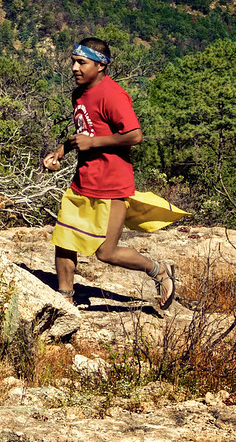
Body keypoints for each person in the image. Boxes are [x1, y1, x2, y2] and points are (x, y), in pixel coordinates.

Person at [43, 37, 179, 310]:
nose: (74, 68)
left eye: (82, 62)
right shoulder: (79, 94)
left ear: (101, 65)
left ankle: (159, 271)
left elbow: (135, 135)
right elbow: (85, 131)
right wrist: (60, 151)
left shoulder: (112, 95)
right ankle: (65, 298)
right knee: (64, 240)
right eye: (73, 61)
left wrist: (94, 144)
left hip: (113, 186)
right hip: (83, 182)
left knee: (107, 252)